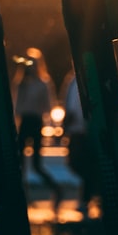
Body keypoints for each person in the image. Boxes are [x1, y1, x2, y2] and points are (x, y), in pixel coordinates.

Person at [13, 47, 63, 214]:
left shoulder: (43, 83)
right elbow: (16, 107)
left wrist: (55, 128)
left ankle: (56, 188)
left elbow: (49, 107)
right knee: (19, 163)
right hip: (25, 122)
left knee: (35, 164)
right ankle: (23, 197)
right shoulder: (21, 83)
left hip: (36, 122)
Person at [61, 71, 100, 216]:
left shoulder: (81, 81)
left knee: (81, 164)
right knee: (80, 164)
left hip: (83, 130)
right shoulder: (73, 81)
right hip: (77, 129)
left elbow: (73, 106)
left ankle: (88, 197)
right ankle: (94, 193)